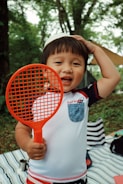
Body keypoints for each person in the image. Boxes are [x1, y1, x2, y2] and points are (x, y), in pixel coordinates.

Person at [15, 33, 120, 184]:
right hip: (39, 178)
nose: (67, 69)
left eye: (76, 64)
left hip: (76, 179)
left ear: (83, 72)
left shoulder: (84, 97)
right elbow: (21, 129)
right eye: (58, 62)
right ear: (44, 70)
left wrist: (95, 49)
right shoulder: (36, 100)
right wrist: (27, 144)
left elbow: (113, 77)